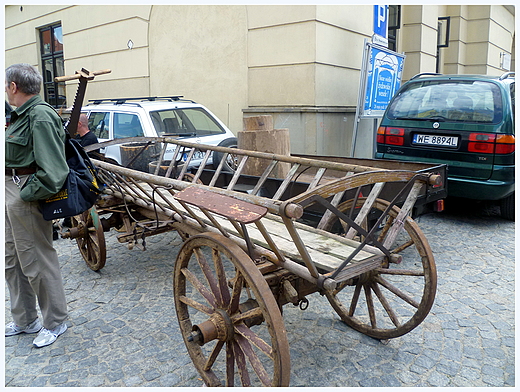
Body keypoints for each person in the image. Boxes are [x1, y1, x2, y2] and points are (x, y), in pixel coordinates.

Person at [5, 63, 69, 348]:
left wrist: (25, 194)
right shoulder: (21, 115)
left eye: (5, 85)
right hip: (11, 189)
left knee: (37, 260)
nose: (5, 89)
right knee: (12, 260)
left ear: (13, 87)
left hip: (25, 193)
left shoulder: (40, 116)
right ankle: (25, 319)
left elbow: (54, 171)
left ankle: (55, 321)